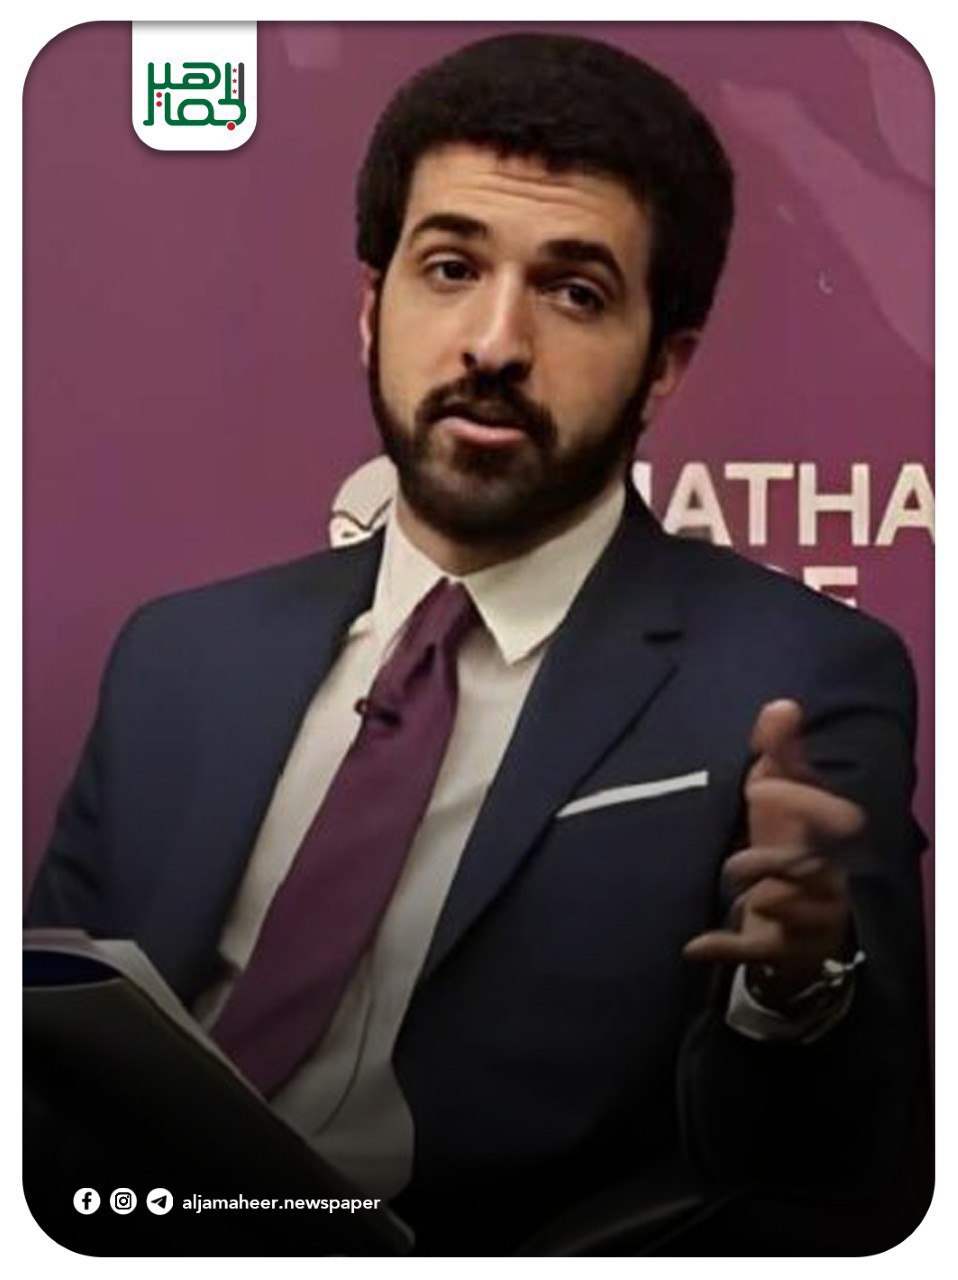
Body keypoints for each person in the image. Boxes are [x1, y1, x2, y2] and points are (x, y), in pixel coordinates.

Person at [26, 33, 929, 1255]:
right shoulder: (178, 657)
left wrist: (794, 991)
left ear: (663, 366)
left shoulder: (797, 677)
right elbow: (48, 1049)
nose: (495, 343)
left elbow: (849, 1163)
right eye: (449, 267)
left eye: (575, 292)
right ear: (372, 309)